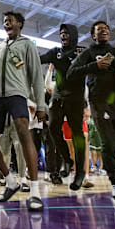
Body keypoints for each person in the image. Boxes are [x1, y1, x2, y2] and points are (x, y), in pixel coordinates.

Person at [67, 21, 115, 206]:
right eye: (99, 30)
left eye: (106, 29)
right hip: (100, 103)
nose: (104, 32)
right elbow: (71, 73)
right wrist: (95, 66)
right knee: (108, 145)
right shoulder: (88, 53)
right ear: (93, 35)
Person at [0, 11, 47, 211]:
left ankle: (34, 191)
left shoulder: (27, 45)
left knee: (23, 133)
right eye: (4, 21)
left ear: (19, 24)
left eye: (10, 21)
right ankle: (10, 182)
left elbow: (36, 75)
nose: (6, 23)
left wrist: (41, 105)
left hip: (17, 94)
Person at [39, 24, 88, 189]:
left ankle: (79, 172)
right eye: (61, 33)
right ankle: (67, 159)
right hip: (58, 95)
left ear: (73, 35)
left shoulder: (83, 52)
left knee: (77, 134)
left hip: (76, 98)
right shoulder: (55, 52)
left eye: (66, 33)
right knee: (53, 127)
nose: (63, 35)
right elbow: (39, 59)